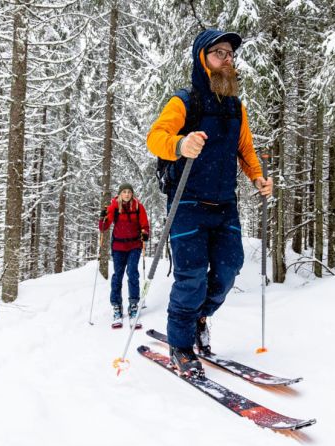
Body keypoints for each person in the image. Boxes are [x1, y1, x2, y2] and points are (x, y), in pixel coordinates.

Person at [146, 29, 273, 376]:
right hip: (186, 202)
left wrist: (257, 178)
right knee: (191, 278)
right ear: (203, 59)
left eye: (230, 54)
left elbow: (245, 150)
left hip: (224, 202)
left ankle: (201, 316)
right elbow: (155, 137)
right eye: (220, 53)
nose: (227, 60)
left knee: (230, 267)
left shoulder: (236, 107)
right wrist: (180, 144)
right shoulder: (184, 101)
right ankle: (181, 344)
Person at [99, 183, 150, 328]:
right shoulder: (114, 206)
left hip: (134, 245)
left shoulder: (138, 207)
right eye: (124, 192)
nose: (127, 194)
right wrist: (102, 218)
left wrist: (145, 234)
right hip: (118, 246)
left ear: (132, 194)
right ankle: (117, 306)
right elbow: (104, 227)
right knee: (118, 276)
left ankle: (133, 305)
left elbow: (145, 225)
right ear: (120, 194)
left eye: (129, 192)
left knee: (132, 273)